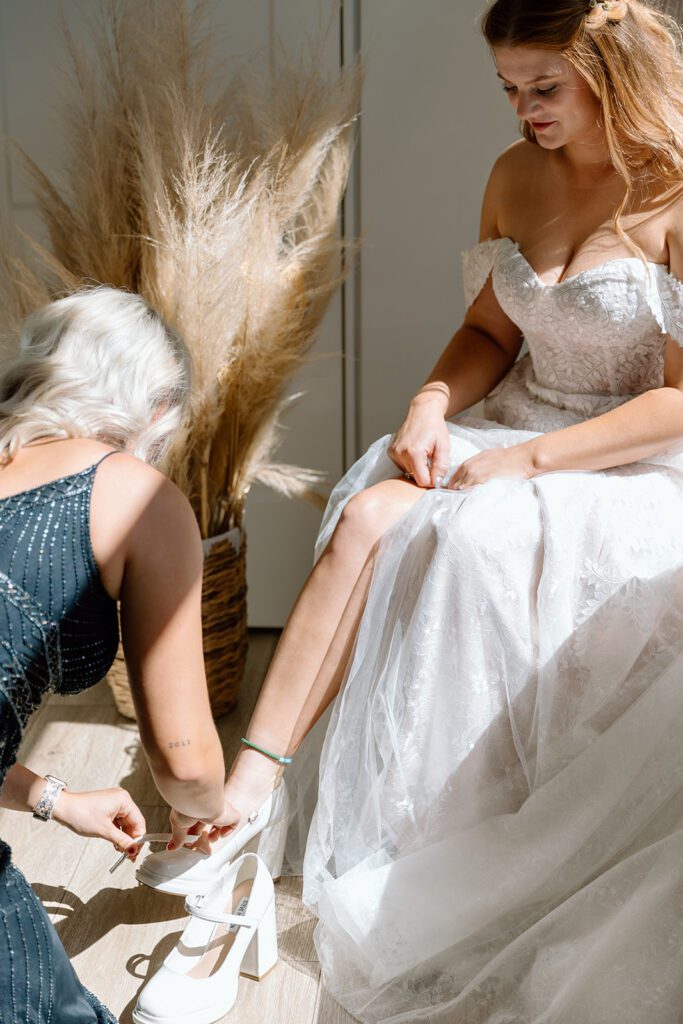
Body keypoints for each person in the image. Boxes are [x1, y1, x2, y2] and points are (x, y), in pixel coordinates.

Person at [138, 0, 683, 1020]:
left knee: (468, 544)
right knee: (362, 513)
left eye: (543, 88)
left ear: (609, 71)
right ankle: (248, 799)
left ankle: (439, 847)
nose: (522, 111)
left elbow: (676, 400)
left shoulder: (673, 197)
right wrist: (433, 400)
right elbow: (488, 326)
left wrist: (525, 463)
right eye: (507, 90)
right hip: (513, 425)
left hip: (626, 460)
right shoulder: (515, 175)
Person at [0, 287, 227, 1023]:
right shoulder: (132, 493)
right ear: (155, 409)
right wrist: (209, 810)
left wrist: (52, 797)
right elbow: (186, 763)